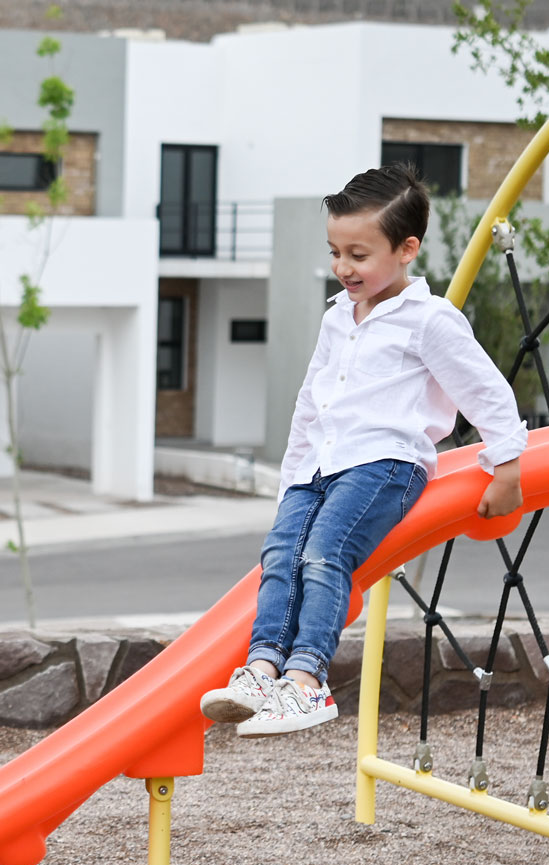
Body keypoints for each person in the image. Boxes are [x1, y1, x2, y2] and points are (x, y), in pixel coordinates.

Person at [201, 163, 527, 738]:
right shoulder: (337, 319)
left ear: (406, 249)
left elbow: (484, 388)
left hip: (384, 463)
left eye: (357, 254)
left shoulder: (429, 321)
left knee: (326, 554)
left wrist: (506, 465)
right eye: (335, 252)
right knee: (280, 555)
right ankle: (262, 668)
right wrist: (290, 480)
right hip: (322, 465)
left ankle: (307, 682)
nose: (342, 267)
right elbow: (311, 403)